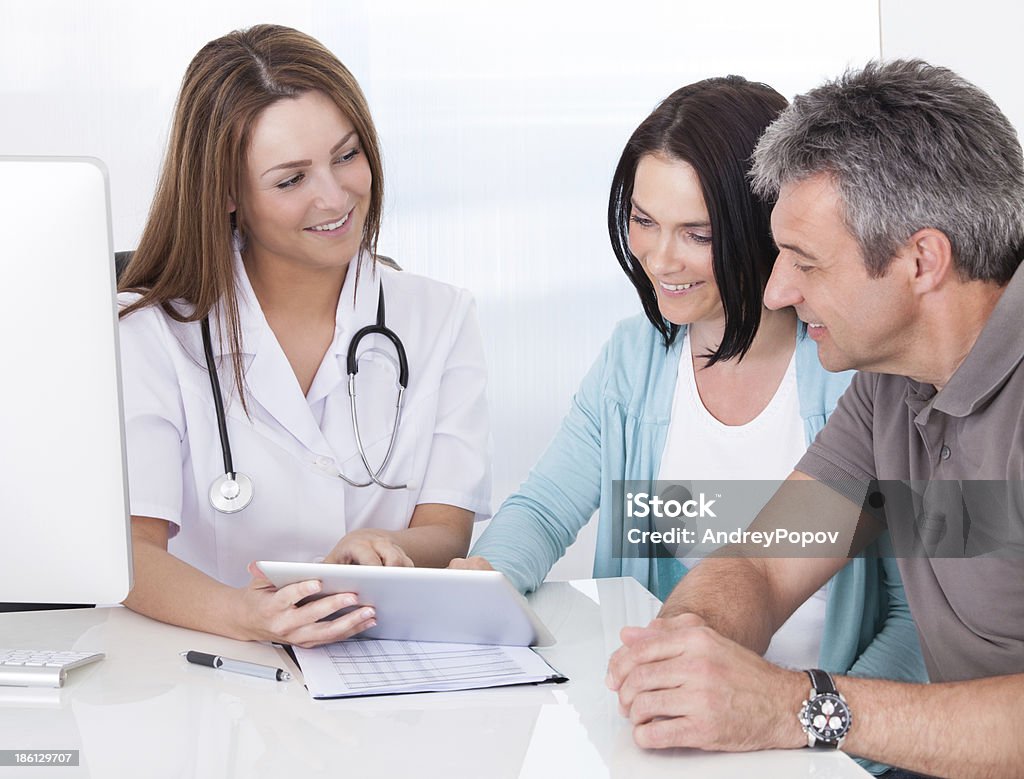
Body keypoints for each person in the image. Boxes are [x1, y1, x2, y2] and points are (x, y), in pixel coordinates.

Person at [452, 76, 924, 765]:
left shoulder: (857, 373)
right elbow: (545, 508)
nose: (659, 258)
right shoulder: (635, 361)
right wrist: (482, 585)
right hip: (673, 741)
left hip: (825, 745)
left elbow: (915, 628)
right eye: (644, 220)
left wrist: (817, 746)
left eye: (696, 233)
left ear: (772, 226)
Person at [606, 60, 1024, 778]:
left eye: (804, 261)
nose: (774, 290)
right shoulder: (888, 381)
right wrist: (685, 645)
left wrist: (799, 706)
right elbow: (769, 561)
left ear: (922, 260)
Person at [117, 25, 490, 648]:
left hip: (379, 669)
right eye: (291, 180)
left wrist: (386, 546)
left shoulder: (439, 316)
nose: (335, 195)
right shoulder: (149, 332)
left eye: (346, 156)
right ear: (228, 193)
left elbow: (446, 529)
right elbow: (130, 552)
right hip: (204, 669)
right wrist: (243, 615)